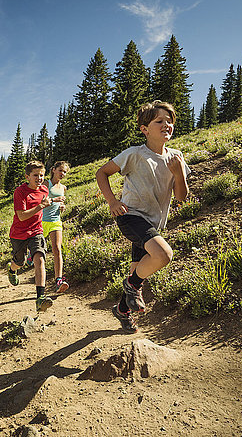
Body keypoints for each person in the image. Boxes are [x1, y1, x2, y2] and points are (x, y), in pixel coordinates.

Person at [96, 101, 190, 333]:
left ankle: (122, 310)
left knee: (140, 267)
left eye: (170, 121)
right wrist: (112, 201)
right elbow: (102, 172)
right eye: (159, 121)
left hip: (154, 223)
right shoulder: (135, 154)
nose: (166, 125)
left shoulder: (176, 157)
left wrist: (179, 174)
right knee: (163, 255)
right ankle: (132, 286)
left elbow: (181, 197)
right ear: (144, 129)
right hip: (130, 216)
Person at [7, 161, 55, 312]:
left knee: (40, 258)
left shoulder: (45, 190)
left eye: (42, 175)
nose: (39, 178)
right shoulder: (20, 192)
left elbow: (45, 205)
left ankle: (40, 298)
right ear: (27, 176)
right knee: (19, 263)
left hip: (36, 231)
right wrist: (41, 206)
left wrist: (57, 205)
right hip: (19, 233)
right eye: (35, 175)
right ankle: (12, 269)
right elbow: (21, 216)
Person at [42, 161, 70, 293]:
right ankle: (30, 256)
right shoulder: (46, 184)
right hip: (41, 220)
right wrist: (54, 200)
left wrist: (62, 207)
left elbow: (61, 205)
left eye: (65, 172)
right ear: (53, 170)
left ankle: (58, 280)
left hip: (55, 220)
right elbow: (39, 202)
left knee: (57, 249)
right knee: (39, 250)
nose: (63, 174)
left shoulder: (63, 188)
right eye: (60, 170)